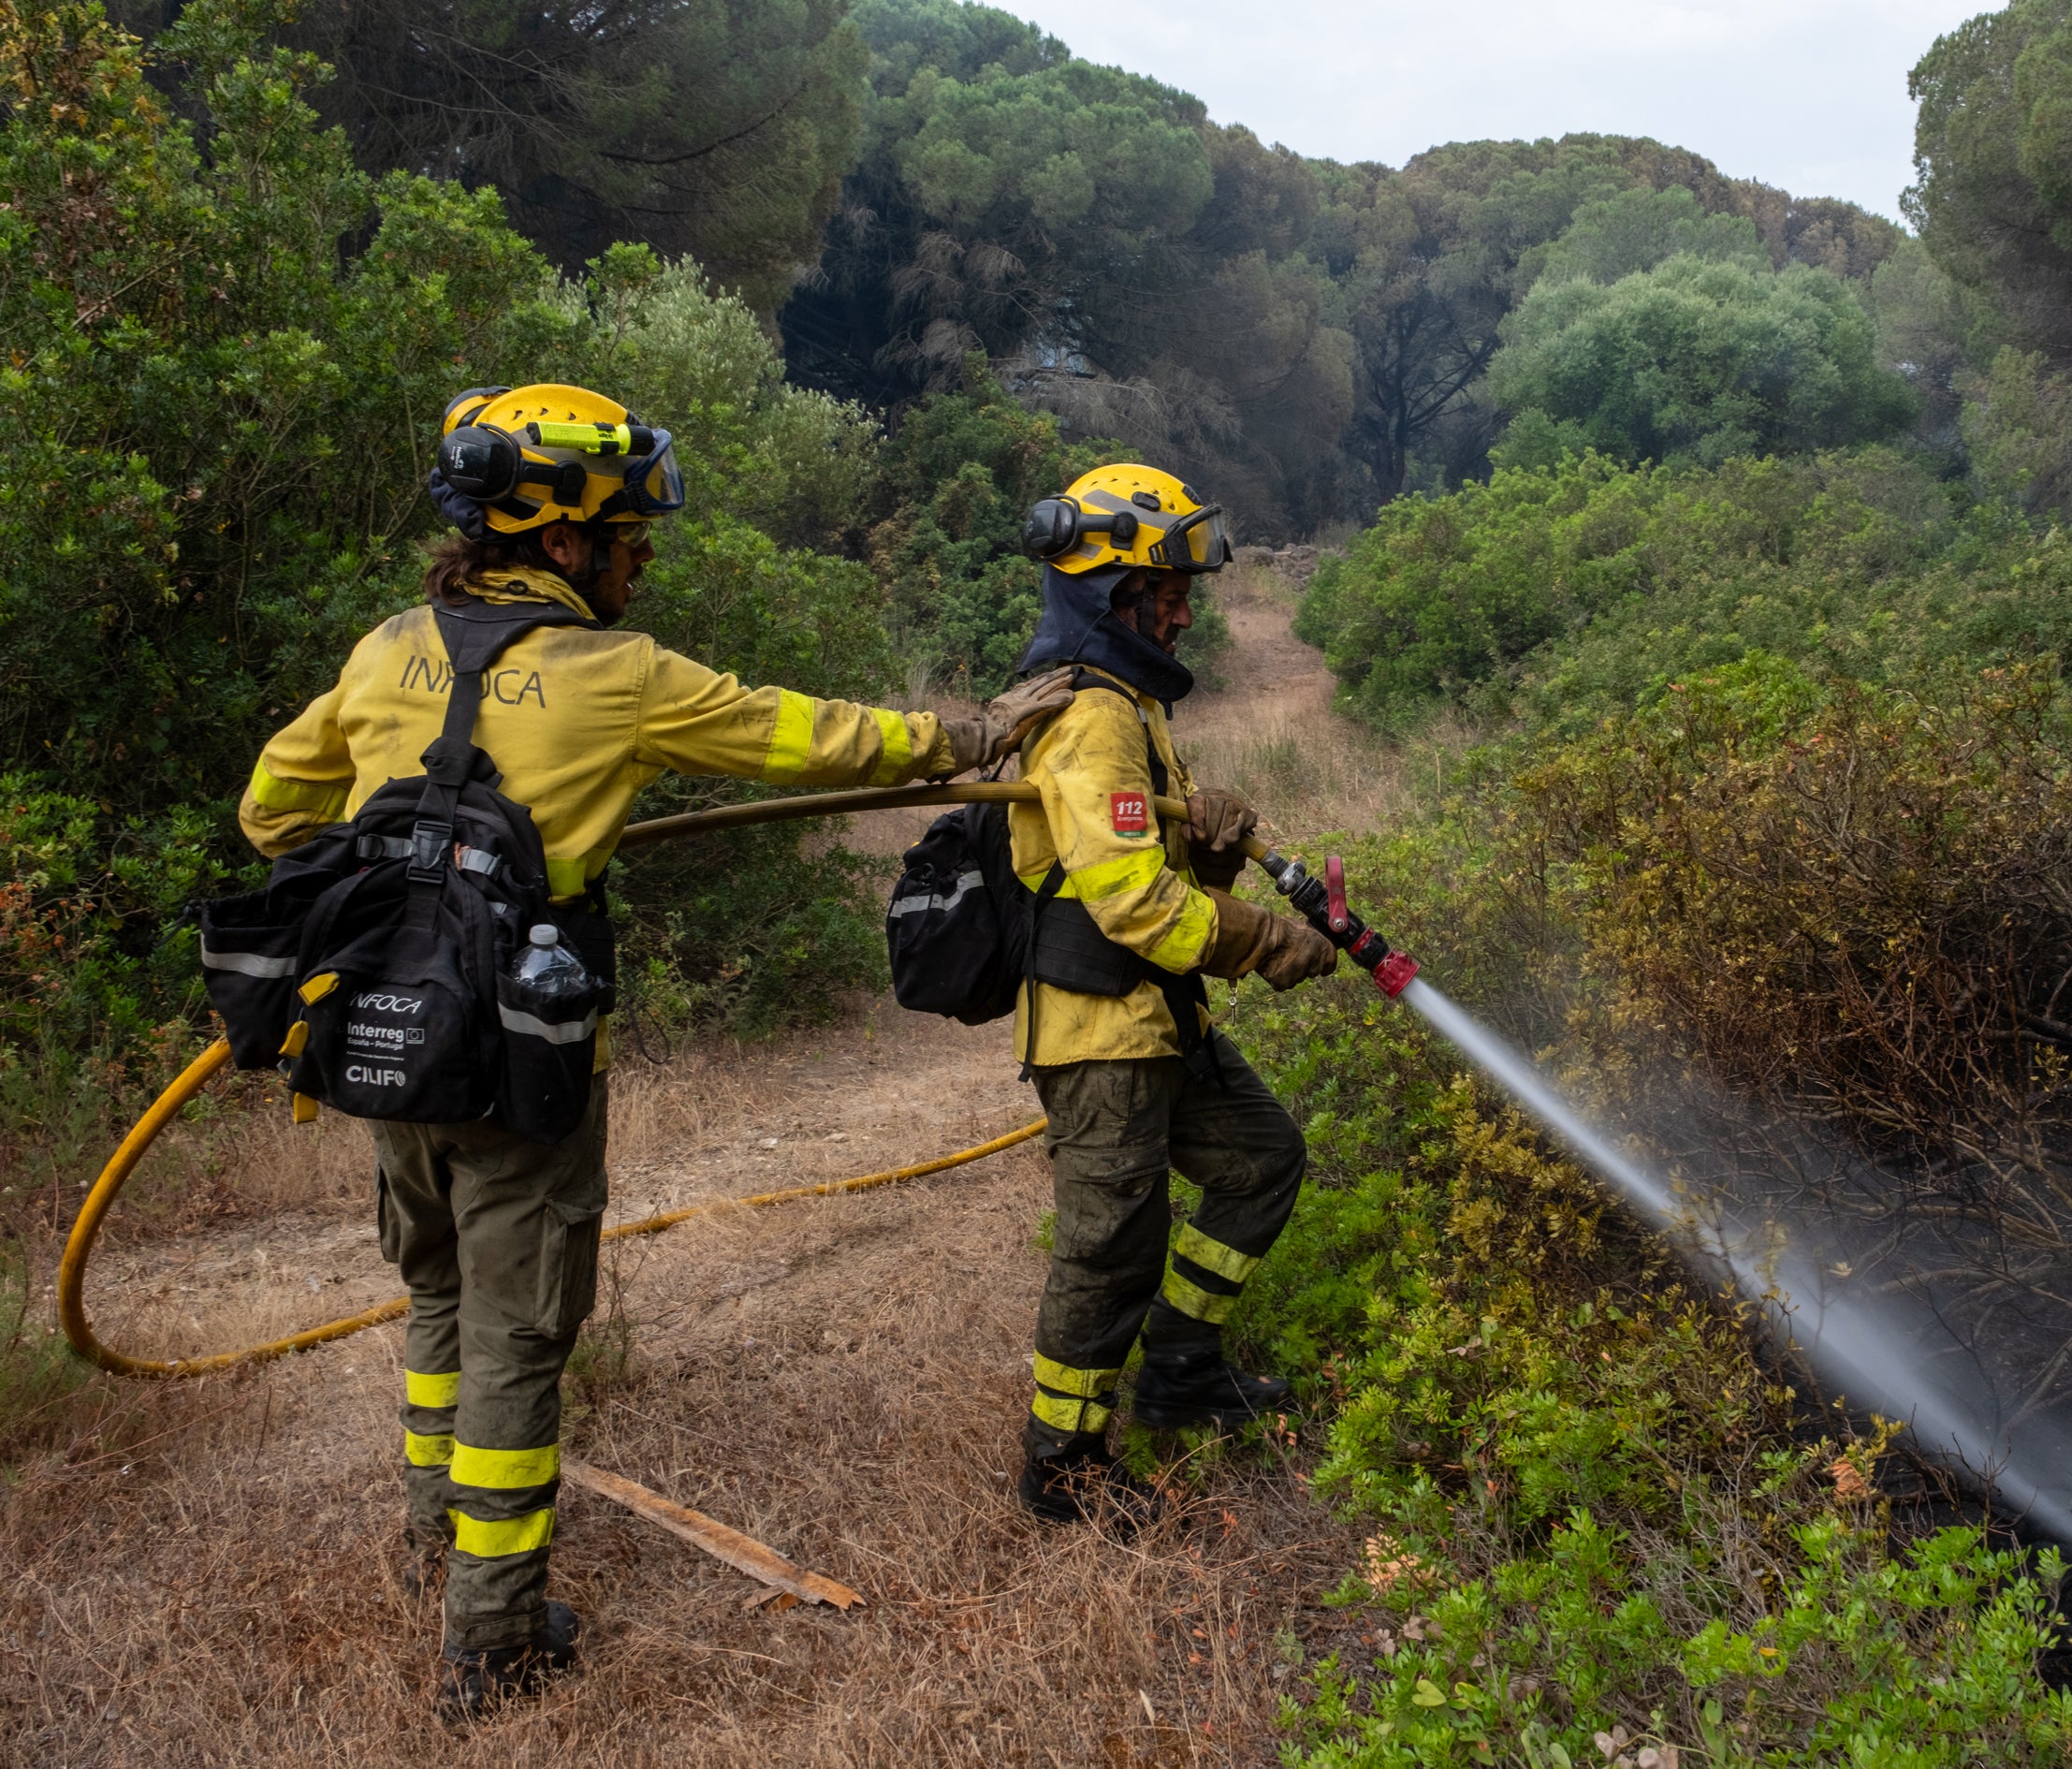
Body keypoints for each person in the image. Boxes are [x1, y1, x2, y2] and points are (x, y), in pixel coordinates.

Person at [236, 384, 1073, 1720]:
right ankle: (493, 1637)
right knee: (521, 1325)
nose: (644, 557)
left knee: (439, 1293)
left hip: (383, 1033)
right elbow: (809, 737)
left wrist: (398, 861)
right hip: (519, 1053)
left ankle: (428, 1543)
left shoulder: (385, 645)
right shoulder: (614, 676)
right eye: (629, 534)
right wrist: (964, 737)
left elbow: (270, 806)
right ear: (563, 541)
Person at [1006, 463, 1341, 1525]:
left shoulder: (1130, 704)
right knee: (1111, 1247)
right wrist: (1268, 941)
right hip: (1101, 1031)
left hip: (1159, 1019)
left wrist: (1218, 848)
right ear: (1116, 596)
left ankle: (1183, 1368)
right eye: (1170, 593)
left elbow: (1163, 878)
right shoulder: (1090, 716)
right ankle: (1062, 1466)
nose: (1186, 613)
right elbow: (1135, 907)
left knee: (1260, 1159)